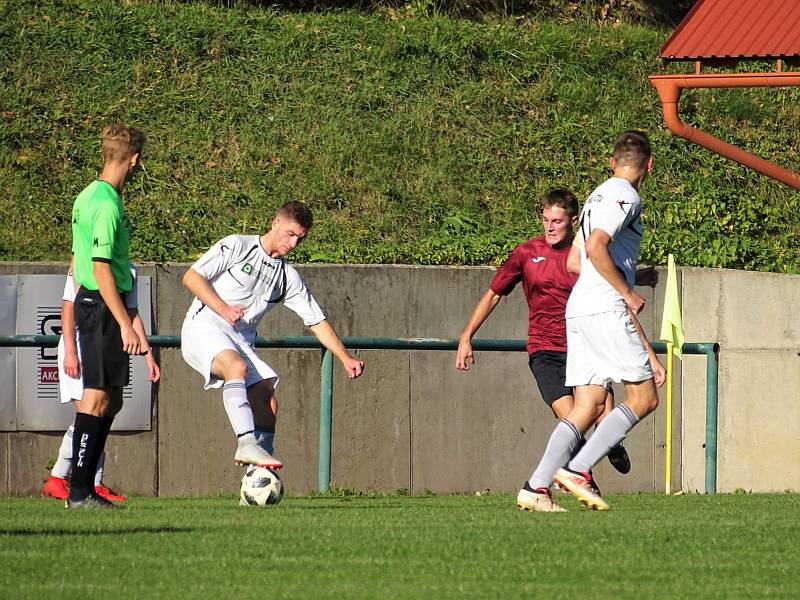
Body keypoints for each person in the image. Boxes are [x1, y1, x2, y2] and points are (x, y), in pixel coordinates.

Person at [455, 189, 632, 510]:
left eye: (558, 221)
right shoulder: (527, 253)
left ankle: (610, 446)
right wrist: (467, 335)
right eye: (546, 220)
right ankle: (581, 477)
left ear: (574, 222)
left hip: (585, 347)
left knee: (602, 415)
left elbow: (611, 283)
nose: (550, 227)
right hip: (545, 350)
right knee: (571, 417)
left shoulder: (586, 257)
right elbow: (494, 293)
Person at [520, 130, 666, 512]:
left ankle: (536, 486)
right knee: (644, 397)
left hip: (579, 308)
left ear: (611, 161)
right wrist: (626, 291)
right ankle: (580, 469)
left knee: (587, 404)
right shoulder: (626, 196)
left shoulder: (595, 196)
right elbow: (596, 246)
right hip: (604, 307)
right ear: (648, 166)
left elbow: (573, 261)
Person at [181, 200, 364, 471]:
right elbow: (192, 277)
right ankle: (246, 443)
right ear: (275, 222)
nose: (292, 244)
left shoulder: (287, 276)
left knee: (266, 398)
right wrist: (223, 308)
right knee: (237, 367)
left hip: (238, 339)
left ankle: (259, 479)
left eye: (299, 239)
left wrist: (345, 357)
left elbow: (316, 320)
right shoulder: (237, 246)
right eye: (290, 234)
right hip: (204, 326)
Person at [66, 123, 146, 510]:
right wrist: (126, 322)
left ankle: (87, 488)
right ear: (133, 160)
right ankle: (78, 490)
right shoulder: (107, 204)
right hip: (100, 304)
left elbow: (76, 257)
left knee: (111, 398)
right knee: (96, 396)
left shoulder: (87, 196)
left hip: (99, 303)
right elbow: (99, 269)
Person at [41, 267, 160, 501]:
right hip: (80, 345)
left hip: (106, 343)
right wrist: (70, 352)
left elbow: (131, 313)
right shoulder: (84, 267)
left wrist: (147, 354)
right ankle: (74, 482)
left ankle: (77, 483)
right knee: (90, 411)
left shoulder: (129, 269)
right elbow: (68, 309)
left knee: (109, 406)